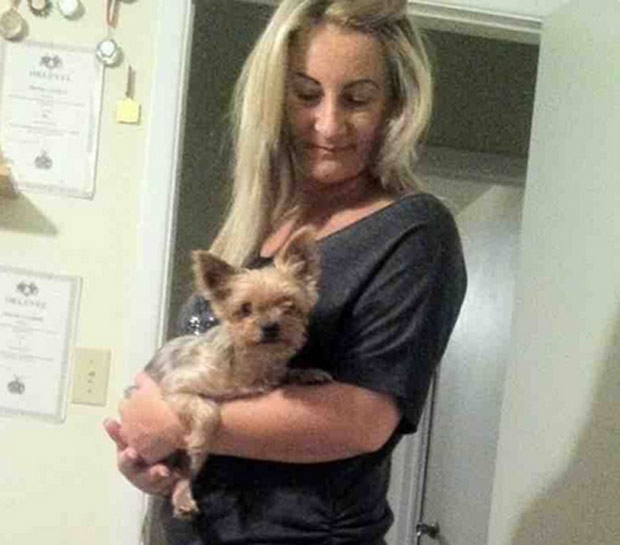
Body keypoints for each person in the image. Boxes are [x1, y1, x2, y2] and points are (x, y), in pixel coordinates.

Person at [104, 0, 467, 543]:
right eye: (305, 94)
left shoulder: (411, 232)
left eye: (357, 98)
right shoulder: (261, 230)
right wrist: (157, 460)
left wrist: (177, 422)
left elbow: (362, 420)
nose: (329, 123)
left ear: (394, 105)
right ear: (274, 100)